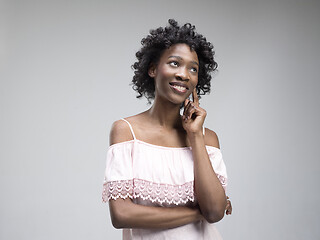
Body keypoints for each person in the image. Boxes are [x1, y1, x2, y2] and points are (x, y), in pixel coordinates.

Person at [102, 19, 232, 240]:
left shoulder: (207, 138)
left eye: (193, 68)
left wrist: (195, 136)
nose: (184, 74)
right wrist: (195, 213)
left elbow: (214, 212)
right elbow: (121, 214)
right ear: (152, 69)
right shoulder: (126, 131)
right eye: (174, 63)